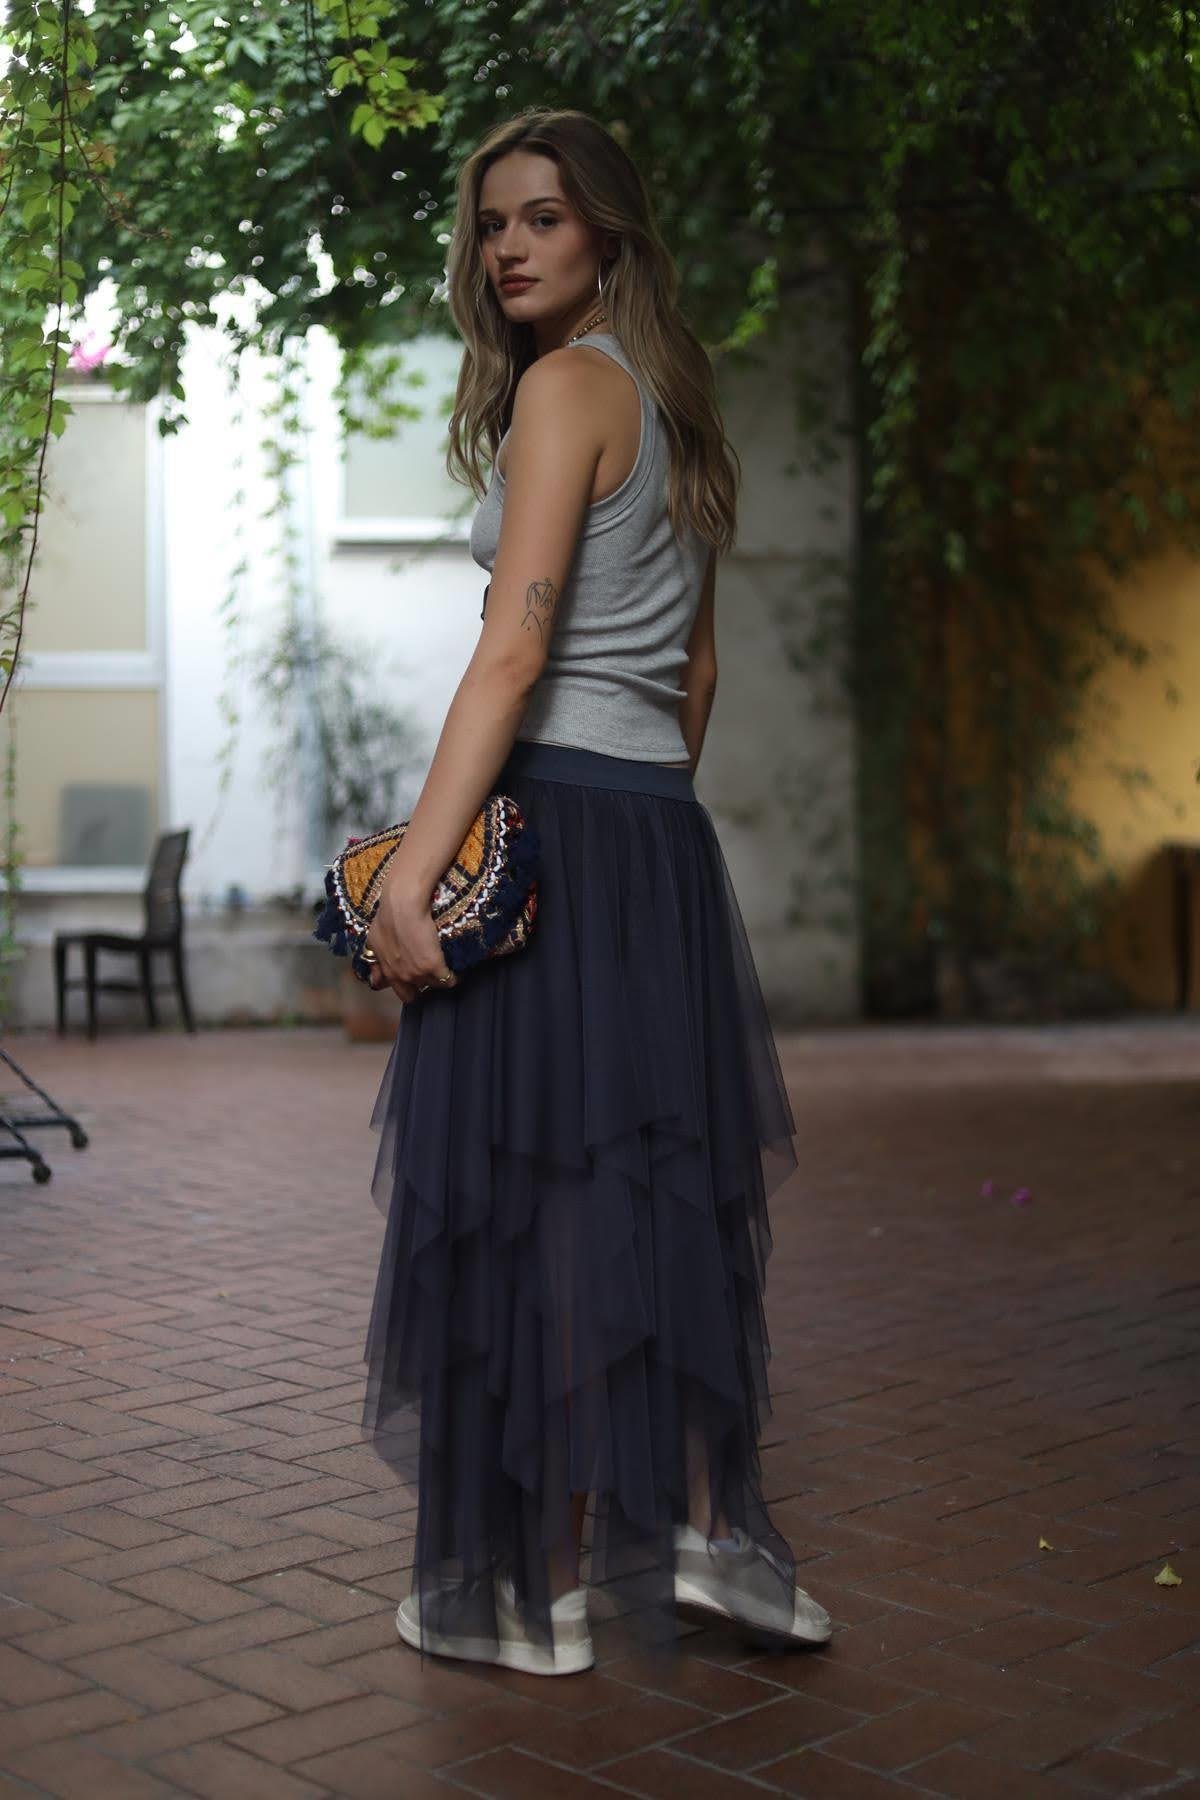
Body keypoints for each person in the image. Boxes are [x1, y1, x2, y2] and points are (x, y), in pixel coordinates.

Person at [358, 106, 832, 1677]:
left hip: (555, 822)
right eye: (494, 222)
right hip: (657, 840)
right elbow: (696, 673)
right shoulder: (679, 410)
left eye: (543, 218)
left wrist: (413, 874)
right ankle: (699, 1529)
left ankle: (532, 1596)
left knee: (526, 1204)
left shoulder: (565, 390)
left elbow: (513, 655)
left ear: (609, 233)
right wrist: (642, 841)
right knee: (642, 1193)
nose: (508, 247)